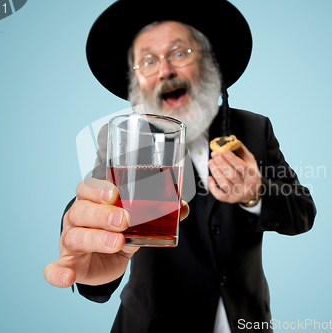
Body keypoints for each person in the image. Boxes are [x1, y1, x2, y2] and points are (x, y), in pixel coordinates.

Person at [44, 1, 317, 332]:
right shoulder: (130, 140)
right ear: (136, 82)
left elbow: (302, 212)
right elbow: (100, 205)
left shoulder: (254, 129)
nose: (165, 70)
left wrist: (255, 193)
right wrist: (87, 238)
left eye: (179, 53)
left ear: (208, 64)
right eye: (147, 61)